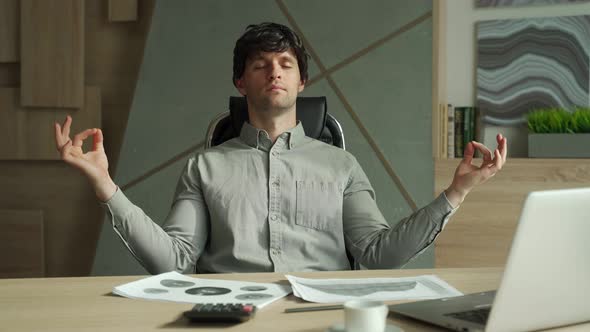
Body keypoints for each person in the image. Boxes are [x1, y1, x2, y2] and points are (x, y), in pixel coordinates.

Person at [54, 22, 507, 274]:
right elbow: (174, 261)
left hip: (323, 318)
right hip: (228, 316)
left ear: (301, 81)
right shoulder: (204, 168)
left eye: (286, 64)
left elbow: (377, 253)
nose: (275, 71)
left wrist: (457, 192)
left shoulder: (342, 166)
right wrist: (105, 185)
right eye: (261, 64)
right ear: (240, 81)